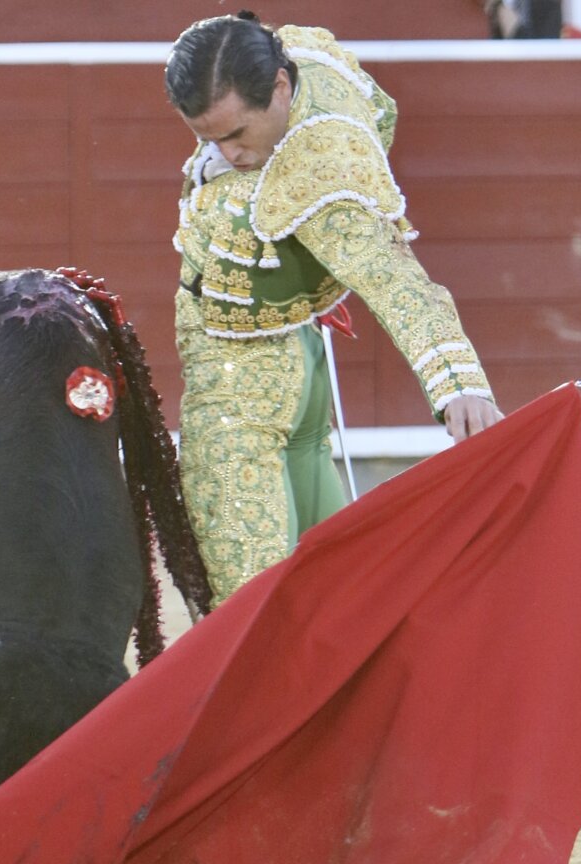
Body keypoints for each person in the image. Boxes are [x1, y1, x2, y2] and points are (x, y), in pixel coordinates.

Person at [166, 12, 504, 606]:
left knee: (246, 611)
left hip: (240, 394)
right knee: (341, 591)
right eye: (207, 138)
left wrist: (457, 384)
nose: (225, 153)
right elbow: (381, 112)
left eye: (237, 134)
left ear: (277, 89)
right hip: (303, 366)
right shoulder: (304, 57)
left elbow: (396, 283)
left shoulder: (317, 177)